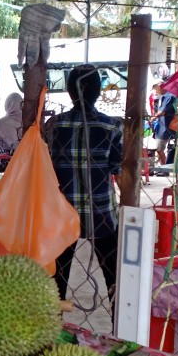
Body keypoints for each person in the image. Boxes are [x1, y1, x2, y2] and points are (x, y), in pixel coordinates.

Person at [45, 64, 123, 304]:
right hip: (101, 213)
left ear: (69, 92)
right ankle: (119, 316)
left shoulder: (53, 125)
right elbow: (119, 172)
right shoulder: (111, 126)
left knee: (56, 278)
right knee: (114, 276)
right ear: (99, 92)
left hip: (62, 213)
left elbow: (46, 169)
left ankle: (52, 319)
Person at [149, 83, 177, 165]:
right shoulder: (163, 97)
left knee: (159, 148)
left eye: (157, 89)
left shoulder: (169, 96)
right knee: (159, 149)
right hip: (162, 126)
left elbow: (162, 111)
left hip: (166, 127)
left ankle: (164, 167)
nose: (156, 92)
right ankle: (163, 166)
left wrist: (152, 119)